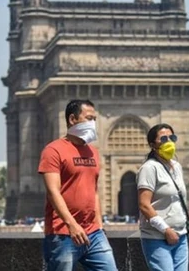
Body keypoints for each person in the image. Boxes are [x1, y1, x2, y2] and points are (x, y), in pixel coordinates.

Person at [38, 99, 117, 271]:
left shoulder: (93, 152)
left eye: (95, 119)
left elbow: (94, 192)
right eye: (89, 118)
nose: (93, 123)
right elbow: (53, 192)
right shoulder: (53, 150)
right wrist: (71, 224)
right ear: (72, 119)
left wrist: (100, 225)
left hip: (93, 232)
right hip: (63, 232)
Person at [137, 123, 189, 271]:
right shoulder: (149, 168)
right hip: (157, 237)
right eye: (164, 139)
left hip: (181, 235)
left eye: (172, 138)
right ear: (153, 144)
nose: (169, 142)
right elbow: (144, 205)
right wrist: (166, 230)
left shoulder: (176, 166)